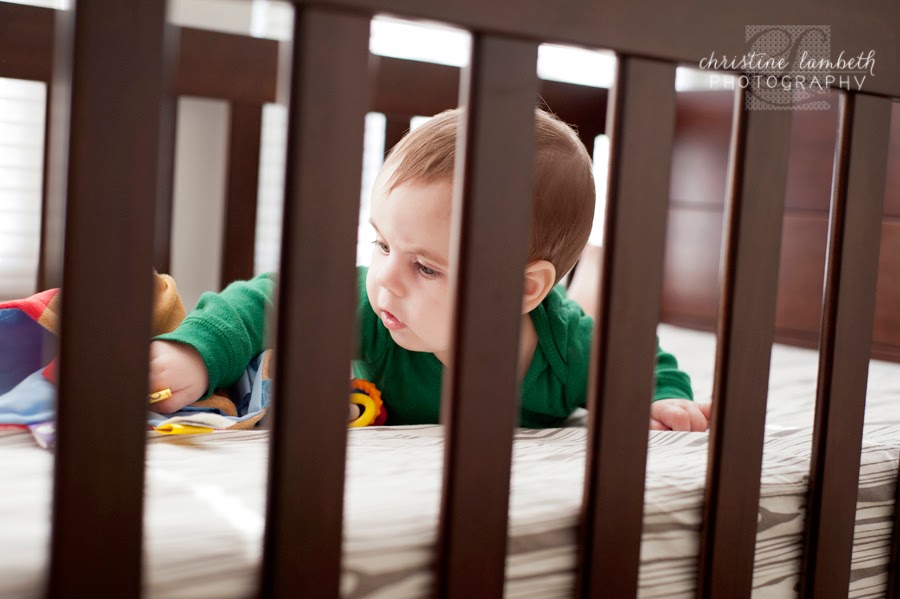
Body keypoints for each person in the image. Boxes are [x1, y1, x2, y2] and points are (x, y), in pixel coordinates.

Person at [148, 107, 710, 431]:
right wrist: (195, 351)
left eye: (425, 267)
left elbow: (637, 360)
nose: (385, 279)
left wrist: (662, 399)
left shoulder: (566, 351)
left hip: (557, 311)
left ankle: (597, 271)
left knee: (590, 313)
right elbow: (269, 299)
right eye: (381, 243)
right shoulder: (376, 307)